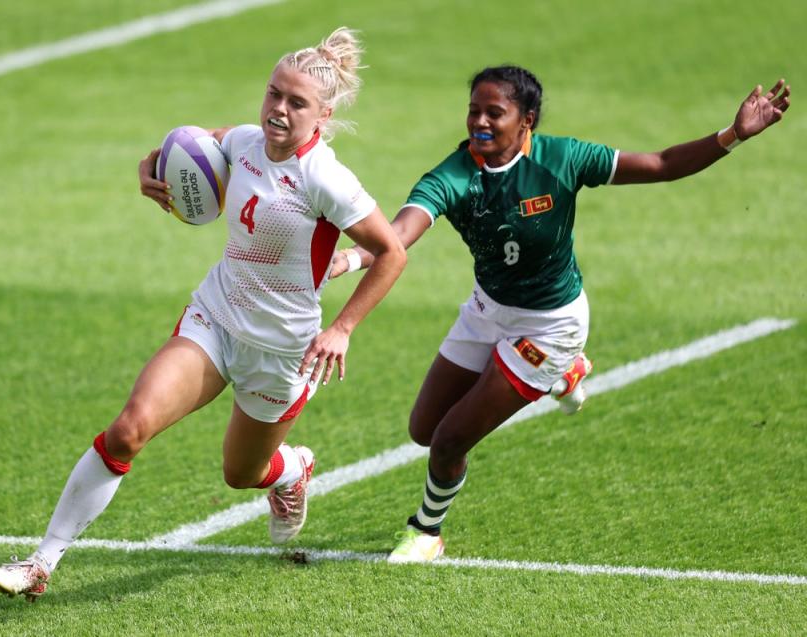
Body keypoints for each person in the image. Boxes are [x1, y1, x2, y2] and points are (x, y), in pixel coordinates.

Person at [0, 27, 406, 601]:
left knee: (241, 475)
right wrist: (149, 168)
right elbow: (186, 147)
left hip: (282, 350)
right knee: (130, 428)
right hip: (215, 317)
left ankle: (289, 471)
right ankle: (40, 562)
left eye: (296, 102)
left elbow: (391, 252)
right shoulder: (243, 141)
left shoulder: (326, 180)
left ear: (323, 115)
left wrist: (342, 328)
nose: (279, 110)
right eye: (274, 94)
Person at [330, 65, 790, 563]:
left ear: (527, 120)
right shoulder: (453, 176)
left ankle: (427, 531)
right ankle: (564, 377)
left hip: (550, 326)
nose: (479, 122)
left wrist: (732, 136)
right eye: (473, 110)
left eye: (495, 113)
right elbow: (399, 233)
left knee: (447, 441)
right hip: (486, 309)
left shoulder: (562, 159)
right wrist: (352, 258)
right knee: (423, 428)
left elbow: (659, 162)